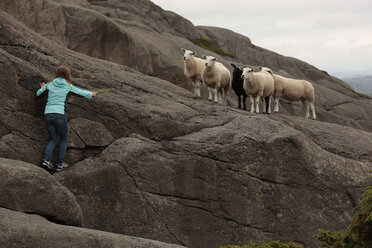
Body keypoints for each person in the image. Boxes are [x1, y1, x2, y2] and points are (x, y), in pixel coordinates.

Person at [36, 66, 97, 172]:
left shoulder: (49, 85)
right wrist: (92, 94)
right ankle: (60, 164)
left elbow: (38, 94)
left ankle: (46, 160)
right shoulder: (68, 86)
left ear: (57, 74)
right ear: (67, 75)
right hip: (59, 115)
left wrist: (42, 87)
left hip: (48, 114)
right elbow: (81, 92)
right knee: (64, 139)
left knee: (53, 139)